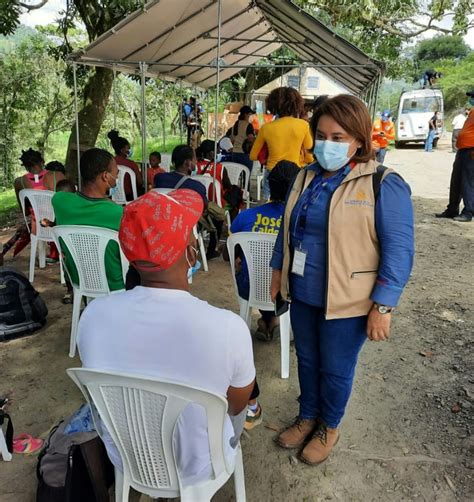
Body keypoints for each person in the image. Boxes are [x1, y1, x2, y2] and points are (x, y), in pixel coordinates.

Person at [270, 94, 414, 465]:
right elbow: (286, 230)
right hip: (303, 291)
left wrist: (383, 305)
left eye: (338, 137)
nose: (326, 144)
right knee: (307, 358)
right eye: (321, 135)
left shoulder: (382, 182)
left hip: (349, 300)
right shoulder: (306, 175)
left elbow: (399, 250)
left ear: (360, 139)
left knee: (335, 367)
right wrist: (277, 274)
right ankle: (308, 415)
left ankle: (328, 426)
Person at [77, 189, 255, 486]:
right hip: (199, 465)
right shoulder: (227, 327)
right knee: (241, 403)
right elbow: (236, 406)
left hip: (127, 456)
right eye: (192, 234)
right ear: (190, 252)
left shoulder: (94, 315)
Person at [225, 160, 299, 342]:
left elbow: (228, 255)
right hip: (288, 291)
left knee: (251, 269)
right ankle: (273, 320)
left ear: (269, 186)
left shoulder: (245, 217)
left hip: (250, 289)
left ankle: (266, 321)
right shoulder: (302, 221)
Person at [52, 148, 125, 291]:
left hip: (79, 282)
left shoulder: (59, 201)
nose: (116, 179)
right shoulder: (118, 213)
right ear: (105, 176)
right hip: (115, 285)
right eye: (116, 174)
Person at [154, 145, 224, 259]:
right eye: (194, 159)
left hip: (163, 219)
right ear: (187, 163)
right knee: (217, 216)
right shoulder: (196, 186)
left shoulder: (160, 178)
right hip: (186, 224)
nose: (196, 162)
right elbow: (204, 207)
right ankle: (211, 250)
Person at [250, 87, 314, 199]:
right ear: (297, 104)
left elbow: (253, 155)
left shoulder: (266, 128)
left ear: (272, 105)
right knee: (291, 206)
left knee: (269, 207)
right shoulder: (303, 125)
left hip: (272, 172)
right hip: (295, 172)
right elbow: (310, 157)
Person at [13, 148, 65, 260]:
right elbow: (67, 201)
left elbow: (25, 211)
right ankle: (58, 252)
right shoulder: (58, 176)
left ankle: (51, 254)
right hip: (58, 224)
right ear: (43, 161)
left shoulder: (19, 182)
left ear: (26, 167)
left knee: (36, 217)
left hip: (38, 227)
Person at [436, 91, 474, 222]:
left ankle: (468, 212)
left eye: (473, 97)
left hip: (471, 151)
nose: (471, 99)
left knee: (468, 182)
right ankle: (452, 209)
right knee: (456, 180)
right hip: (463, 150)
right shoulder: (472, 112)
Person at [107, 129, 143, 199]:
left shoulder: (108, 163)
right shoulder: (132, 164)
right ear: (122, 150)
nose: (129, 150)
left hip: (112, 197)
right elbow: (140, 182)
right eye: (128, 148)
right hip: (129, 197)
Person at [226, 105, 256, 170]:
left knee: (236, 177)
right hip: (244, 155)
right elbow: (251, 139)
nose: (251, 117)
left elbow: (231, 138)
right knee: (246, 176)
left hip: (235, 155)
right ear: (245, 115)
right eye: (250, 115)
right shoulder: (248, 125)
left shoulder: (235, 125)